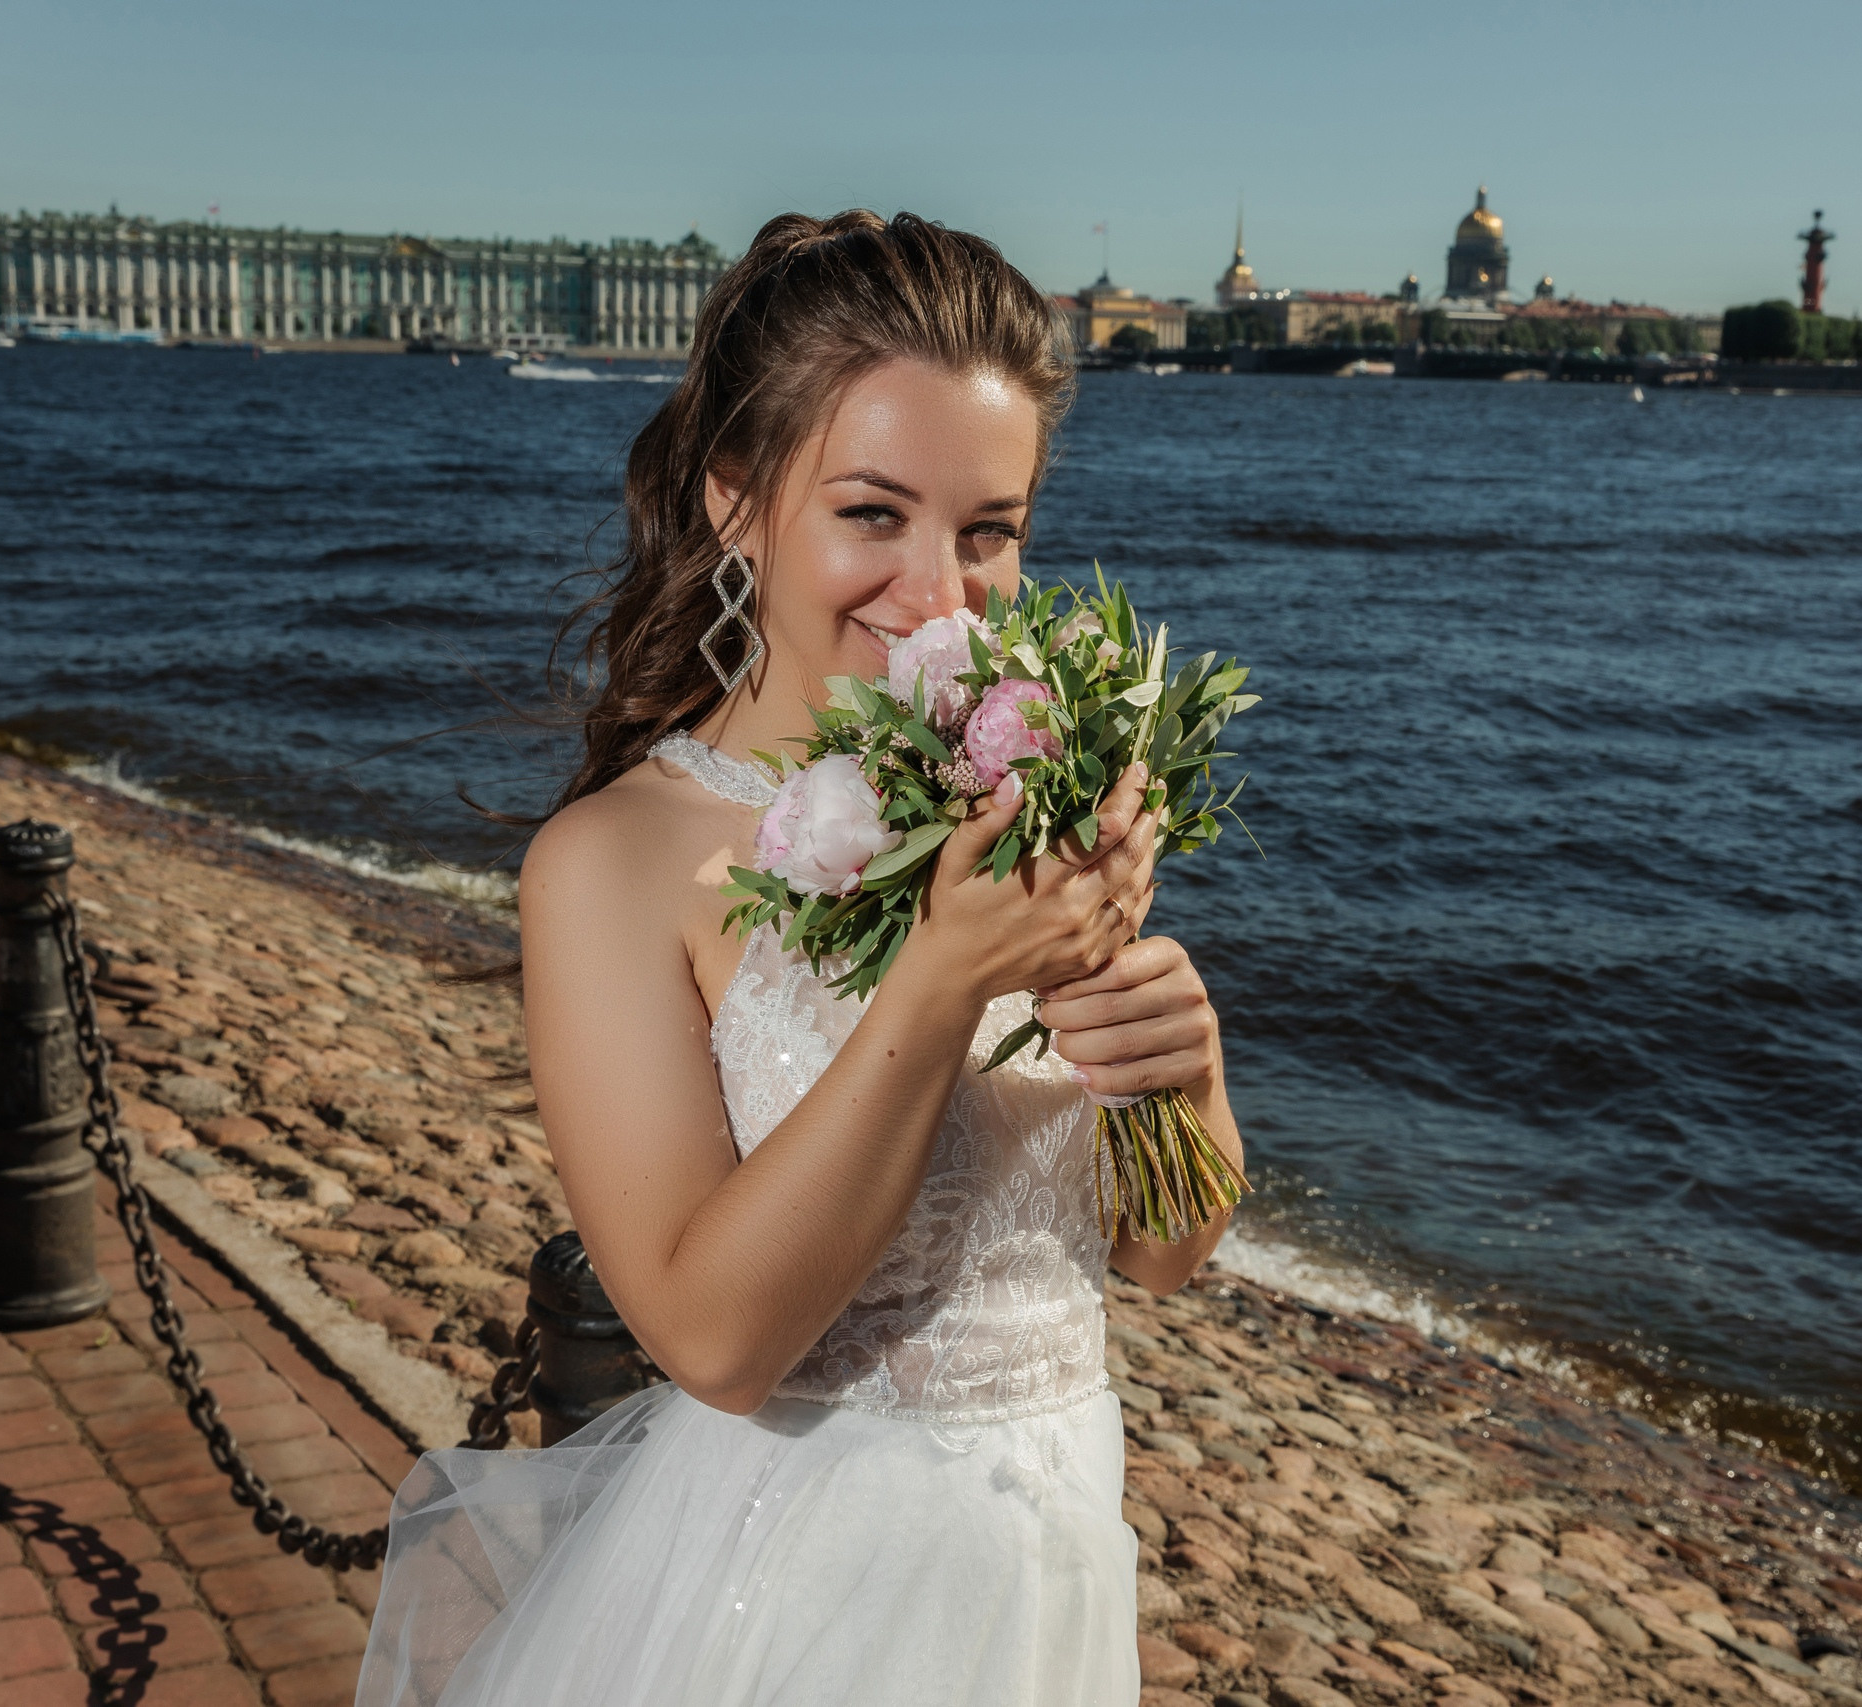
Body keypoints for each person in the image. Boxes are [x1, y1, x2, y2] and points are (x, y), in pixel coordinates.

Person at [356, 210, 1247, 1706]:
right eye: (872, 515)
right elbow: (713, 1340)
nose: (942, 594)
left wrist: (1184, 1068)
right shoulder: (615, 864)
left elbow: (1162, 1252)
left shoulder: (1020, 804)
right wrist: (946, 980)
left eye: (990, 530)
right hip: (794, 1600)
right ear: (736, 503)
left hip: (1051, 1574)